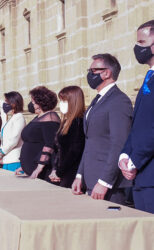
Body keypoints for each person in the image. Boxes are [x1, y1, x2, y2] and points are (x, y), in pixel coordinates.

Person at [72, 53, 133, 205]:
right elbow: (90, 141)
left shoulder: (119, 100)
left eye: (93, 70)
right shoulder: (98, 100)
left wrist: (105, 181)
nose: (89, 74)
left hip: (107, 184)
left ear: (106, 73)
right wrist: (80, 175)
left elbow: (119, 143)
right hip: (90, 179)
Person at [119, 20, 154, 213]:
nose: (137, 47)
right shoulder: (149, 77)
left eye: (142, 42)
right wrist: (125, 154)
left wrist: (134, 161)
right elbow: (139, 123)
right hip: (142, 175)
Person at [15, 86, 60, 180]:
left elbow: (50, 144)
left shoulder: (50, 117)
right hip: (30, 169)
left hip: (41, 172)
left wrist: (39, 167)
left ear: (40, 102)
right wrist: (23, 166)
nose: (31, 103)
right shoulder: (39, 117)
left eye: (33, 101)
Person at [49, 86, 85, 188]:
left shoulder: (78, 122)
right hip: (60, 172)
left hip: (70, 173)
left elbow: (74, 152)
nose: (61, 104)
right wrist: (55, 169)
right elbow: (58, 150)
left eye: (64, 101)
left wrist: (59, 172)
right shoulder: (65, 122)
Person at [0, 91, 26, 171]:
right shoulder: (12, 117)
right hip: (7, 159)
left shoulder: (19, 117)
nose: (4, 104)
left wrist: (2, 152)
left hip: (14, 159)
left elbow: (14, 138)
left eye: (6, 102)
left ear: (14, 103)